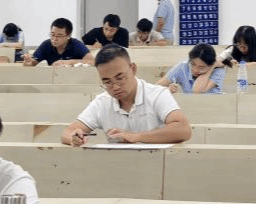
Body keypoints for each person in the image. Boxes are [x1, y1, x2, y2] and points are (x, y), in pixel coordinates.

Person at [60, 44, 192, 145]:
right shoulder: (102, 102)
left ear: (133, 69)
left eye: (120, 78)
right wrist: (74, 137)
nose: (115, 87)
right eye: (107, 82)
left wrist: (135, 137)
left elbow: (183, 129)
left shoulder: (157, 95)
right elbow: (67, 132)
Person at [158, 44, 225, 94]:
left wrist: (212, 67)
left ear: (211, 64)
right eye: (193, 64)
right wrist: (167, 90)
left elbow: (197, 91)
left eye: (201, 67)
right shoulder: (183, 66)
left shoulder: (218, 71)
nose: (195, 70)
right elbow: (157, 87)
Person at [26, 18, 95, 67]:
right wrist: (29, 62)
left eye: (59, 36)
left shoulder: (76, 44)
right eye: (52, 35)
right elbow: (34, 61)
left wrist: (67, 62)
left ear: (68, 36)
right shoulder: (46, 45)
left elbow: (92, 61)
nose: (54, 39)